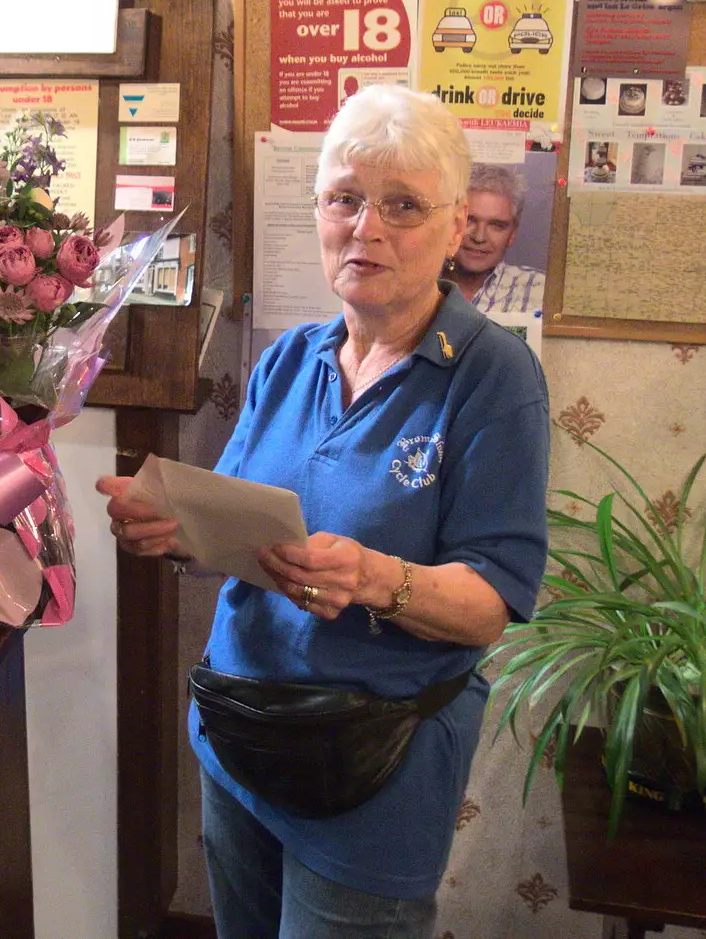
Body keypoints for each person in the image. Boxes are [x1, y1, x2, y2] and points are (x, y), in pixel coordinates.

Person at [98, 86, 549, 939]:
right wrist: (173, 532)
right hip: (240, 734)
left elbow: (492, 604)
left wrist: (376, 579)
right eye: (344, 197)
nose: (366, 227)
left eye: (404, 205)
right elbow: (232, 531)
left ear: (457, 229)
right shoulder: (289, 359)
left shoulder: (493, 377)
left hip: (372, 764)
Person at [448, 163, 545, 313]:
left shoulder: (541, 291)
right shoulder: (415, 282)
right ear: (450, 222)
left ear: (512, 234)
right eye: (470, 220)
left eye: (496, 225)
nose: (479, 237)